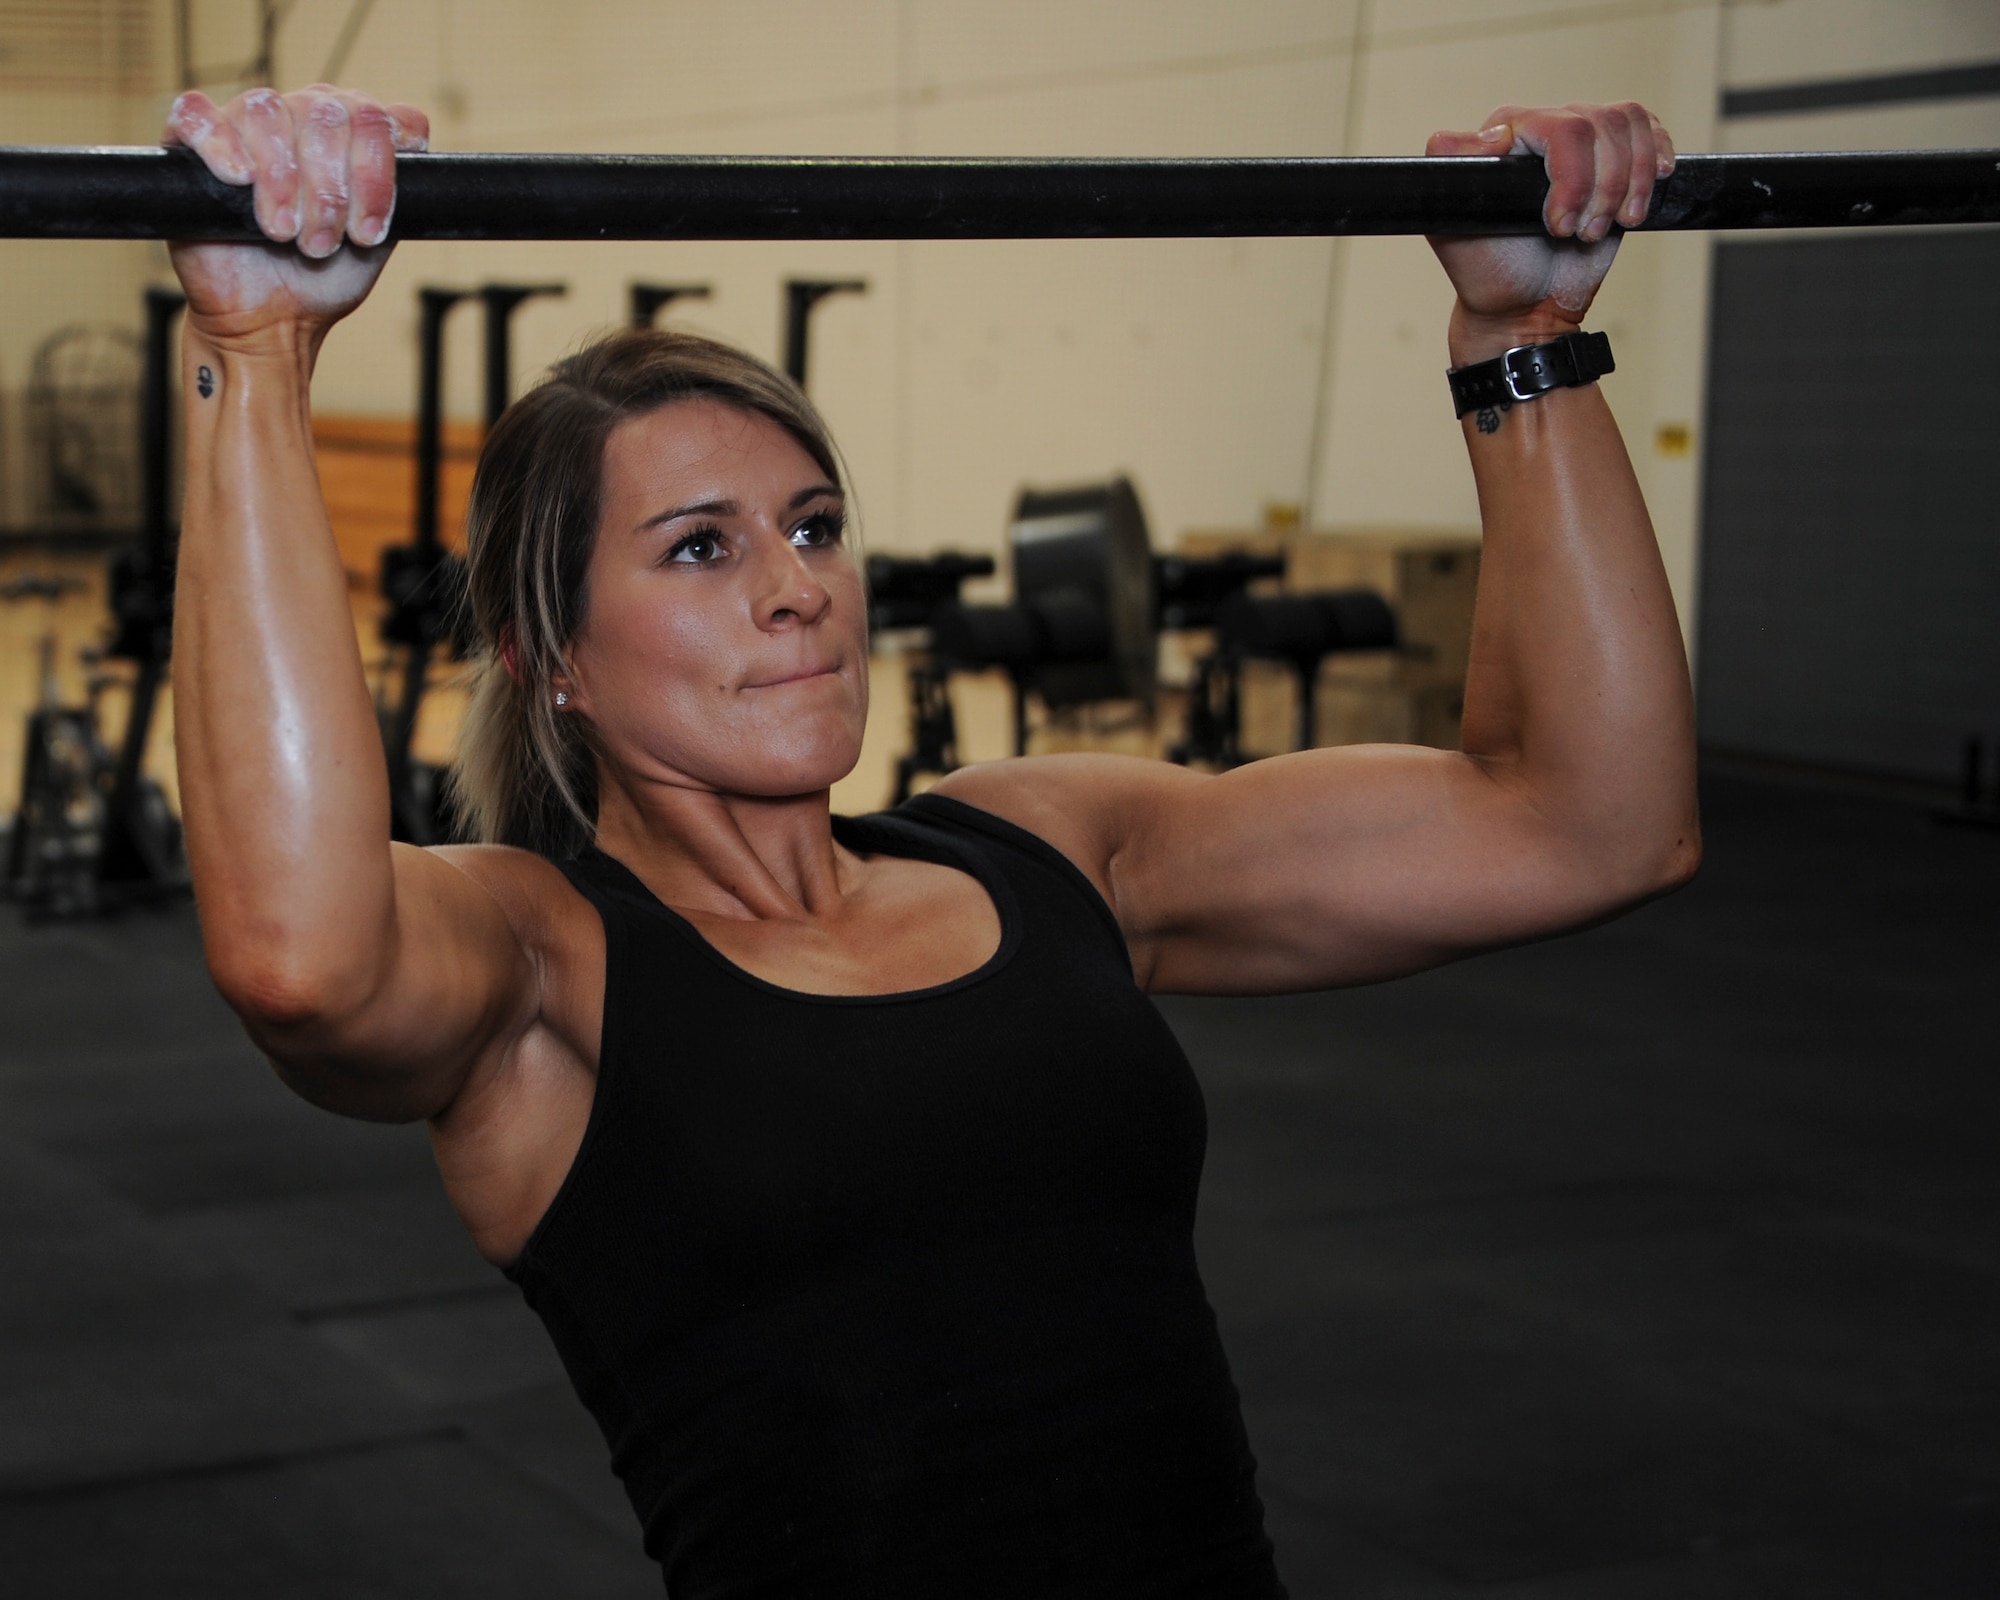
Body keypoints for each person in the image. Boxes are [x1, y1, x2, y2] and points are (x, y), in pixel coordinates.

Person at [162, 81, 1697, 1599]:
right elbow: (299, 958)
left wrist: (1526, 345)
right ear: (546, 649)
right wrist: (258, 351)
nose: (797, 586)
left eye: (815, 525)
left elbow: (1587, 820)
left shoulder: (1041, 849)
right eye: (703, 546)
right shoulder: (544, 967)